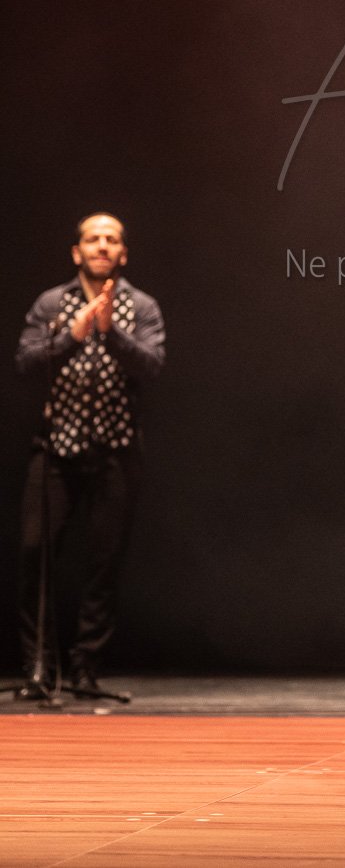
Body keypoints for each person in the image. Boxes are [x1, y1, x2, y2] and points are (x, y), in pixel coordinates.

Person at [14, 212, 165, 697]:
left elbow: (152, 367)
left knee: (104, 562)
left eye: (111, 239)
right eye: (93, 238)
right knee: (35, 553)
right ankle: (40, 668)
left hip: (116, 452)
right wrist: (72, 336)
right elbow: (25, 363)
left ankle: (85, 668)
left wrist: (111, 332)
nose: (102, 245)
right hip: (56, 450)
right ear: (76, 251)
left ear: (123, 253)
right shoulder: (52, 303)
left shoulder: (141, 306)